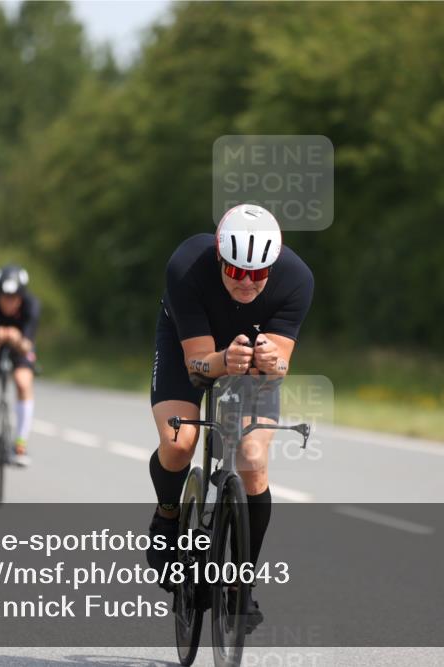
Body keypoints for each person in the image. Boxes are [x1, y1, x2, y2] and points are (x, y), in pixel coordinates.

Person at [147, 204, 314, 629]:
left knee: (254, 462)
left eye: (258, 274)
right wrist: (222, 360)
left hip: (249, 361)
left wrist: (272, 361)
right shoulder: (187, 266)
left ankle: (242, 582)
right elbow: (197, 365)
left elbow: (280, 365)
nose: (247, 283)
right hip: (194, 346)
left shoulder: (297, 279)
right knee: (178, 442)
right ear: (220, 259)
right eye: (237, 271)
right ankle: (168, 514)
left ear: (272, 268)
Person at [0, 265, 40, 467]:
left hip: (18, 348)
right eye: (4, 296)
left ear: (21, 296)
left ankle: (20, 441)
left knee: (22, 382)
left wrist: (15, 338)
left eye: (14, 297)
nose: (9, 301)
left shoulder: (32, 305)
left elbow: (28, 344)